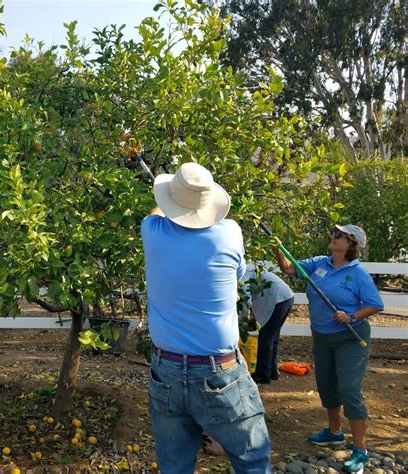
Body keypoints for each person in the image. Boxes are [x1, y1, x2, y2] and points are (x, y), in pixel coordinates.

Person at [141, 162, 272, 474]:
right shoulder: (229, 234)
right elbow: (239, 272)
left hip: (166, 368)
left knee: (174, 467)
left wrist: (171, 196)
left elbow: (155, 212)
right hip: (219, 369)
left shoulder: (152, 232)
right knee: (252, 461)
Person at [274, 224, 384, 473]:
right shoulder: (319, 263)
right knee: (326, 384)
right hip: (322, 337)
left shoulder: (357, 273)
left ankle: (360, 450)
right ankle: (334, 432)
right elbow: (290, 269)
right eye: (333, 233)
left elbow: (375, 304)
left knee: (349, 389)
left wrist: (352, 316)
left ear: (351, 244)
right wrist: (278, 249)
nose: (332, 237)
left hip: (350, 339)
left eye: (338, 235)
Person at [241, 263, 294, 384]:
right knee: (272, 337)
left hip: (279, 299)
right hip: (285, 297)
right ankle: (271, 372)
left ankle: (262, 375)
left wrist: (242, 321)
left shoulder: (243, 273)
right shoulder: (249, 268)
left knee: (266, 337)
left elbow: (245, 299)